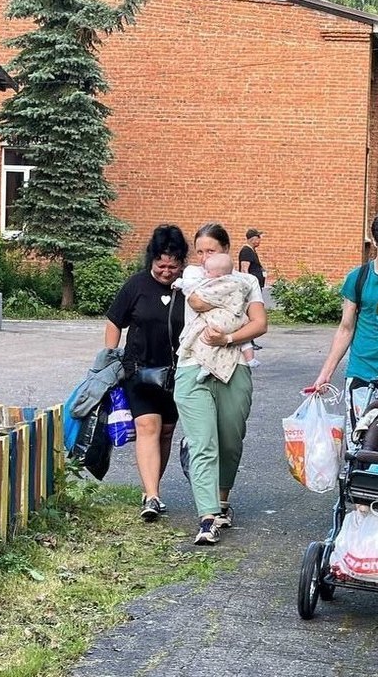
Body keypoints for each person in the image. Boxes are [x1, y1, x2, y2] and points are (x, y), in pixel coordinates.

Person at [175, 222, 268, 546]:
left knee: (230, 440)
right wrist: (229, 297)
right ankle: (208, 517)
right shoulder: (192, 276)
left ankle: (222, 500)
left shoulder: (247, 281)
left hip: (234, 363)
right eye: (199, 252)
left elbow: (259, 323)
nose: (204, 258)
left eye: (210, 251)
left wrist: (228, 337)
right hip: (193, 365)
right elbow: (197, 302)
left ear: (225, 251)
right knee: (203, 443)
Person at [310, 210, 378, 444]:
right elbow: (346, 328)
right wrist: (325, 373)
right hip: (362, 371)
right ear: (375, 244)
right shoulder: (358, 278)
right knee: (358, 441)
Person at [105, 224, 188, 522]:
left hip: (178, 373)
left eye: (172, 267)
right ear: (151, 260)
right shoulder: (136, 285)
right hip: (139, 371)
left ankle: (152, 488)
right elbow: (114, 321)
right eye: (160, 266)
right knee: (148, 427)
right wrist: (109, 357)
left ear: (182, 263)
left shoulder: (190, 288)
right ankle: (151, 496)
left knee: (166, 431)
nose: (166, 272)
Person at [175, 252, 258, 379]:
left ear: (219, 276)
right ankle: (250, 359)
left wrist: (180, 284)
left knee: (206, 339)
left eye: (208, 271)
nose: (204, 273)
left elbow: (197, 297)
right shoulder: (241, 282)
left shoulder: (216, 284)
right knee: (245, 341)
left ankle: (206, 367)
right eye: (200, 251)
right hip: (238, 319)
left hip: (220, 320)